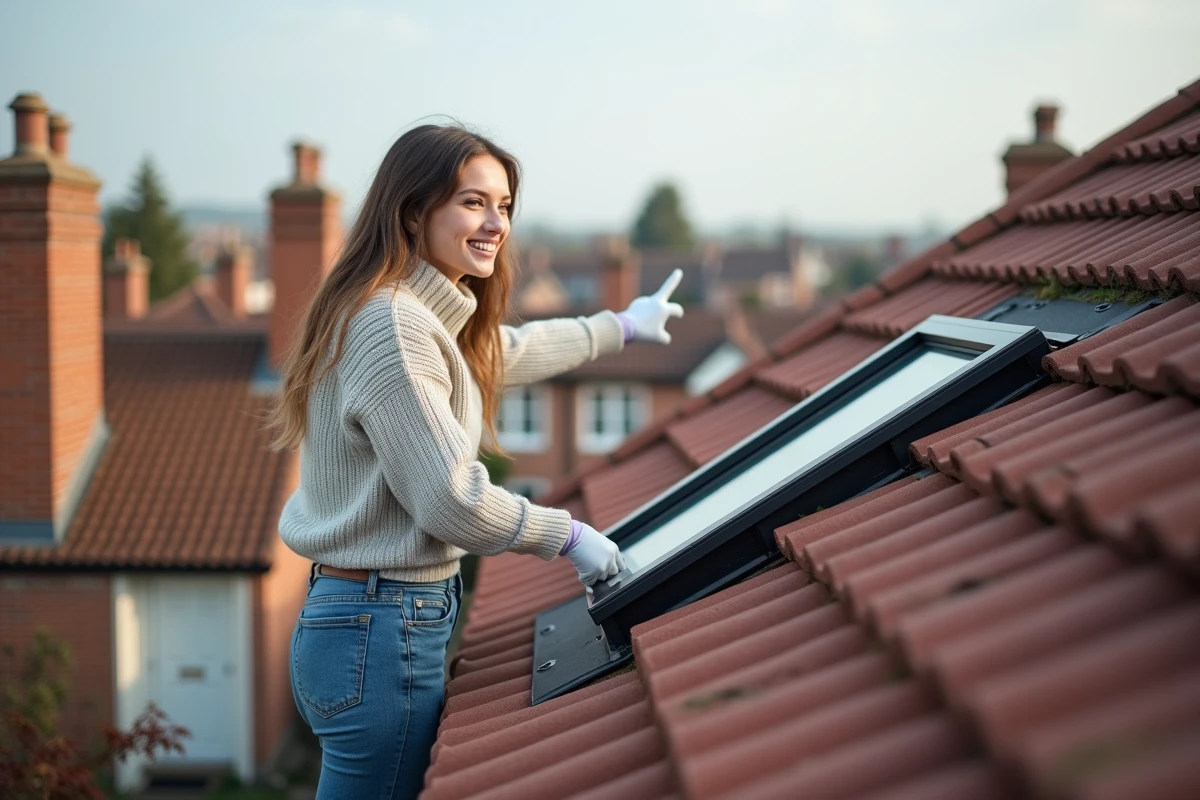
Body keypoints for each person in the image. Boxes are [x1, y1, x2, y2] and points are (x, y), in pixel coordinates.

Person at [267, 124, 683, 799]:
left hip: (363, 620)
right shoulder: (394, 325)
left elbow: (499, 352)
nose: (496, 224)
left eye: (506, 206)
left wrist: (622, 327)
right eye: (473, 202)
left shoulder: (408, 315)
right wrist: (573, 539)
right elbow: (451, 501)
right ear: (412, 211)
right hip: (380, 625)